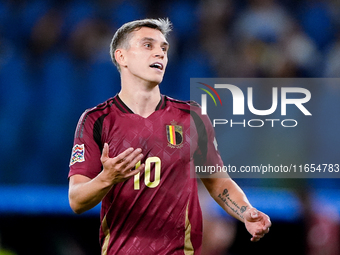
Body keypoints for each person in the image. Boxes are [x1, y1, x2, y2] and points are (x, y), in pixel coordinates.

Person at [68, 18, 271, 255]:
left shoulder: (192, 117)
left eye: (163, 48)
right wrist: (107, 178)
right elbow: (76, 200)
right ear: (121, 56)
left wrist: (245, 211)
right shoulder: (97, 120)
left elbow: (218, 181)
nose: (160, 54)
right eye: (148, 46)